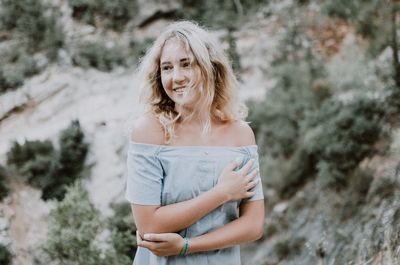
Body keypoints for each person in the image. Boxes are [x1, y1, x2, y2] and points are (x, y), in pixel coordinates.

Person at [125, 20, 265, 265]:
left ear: (210, 68)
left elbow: (253, 225)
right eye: (167, 68)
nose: (176, 77)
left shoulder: (240, 135)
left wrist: (187, 246)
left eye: (186, 64)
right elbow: (148, 224)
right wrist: (222, 193)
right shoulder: (149, 132)